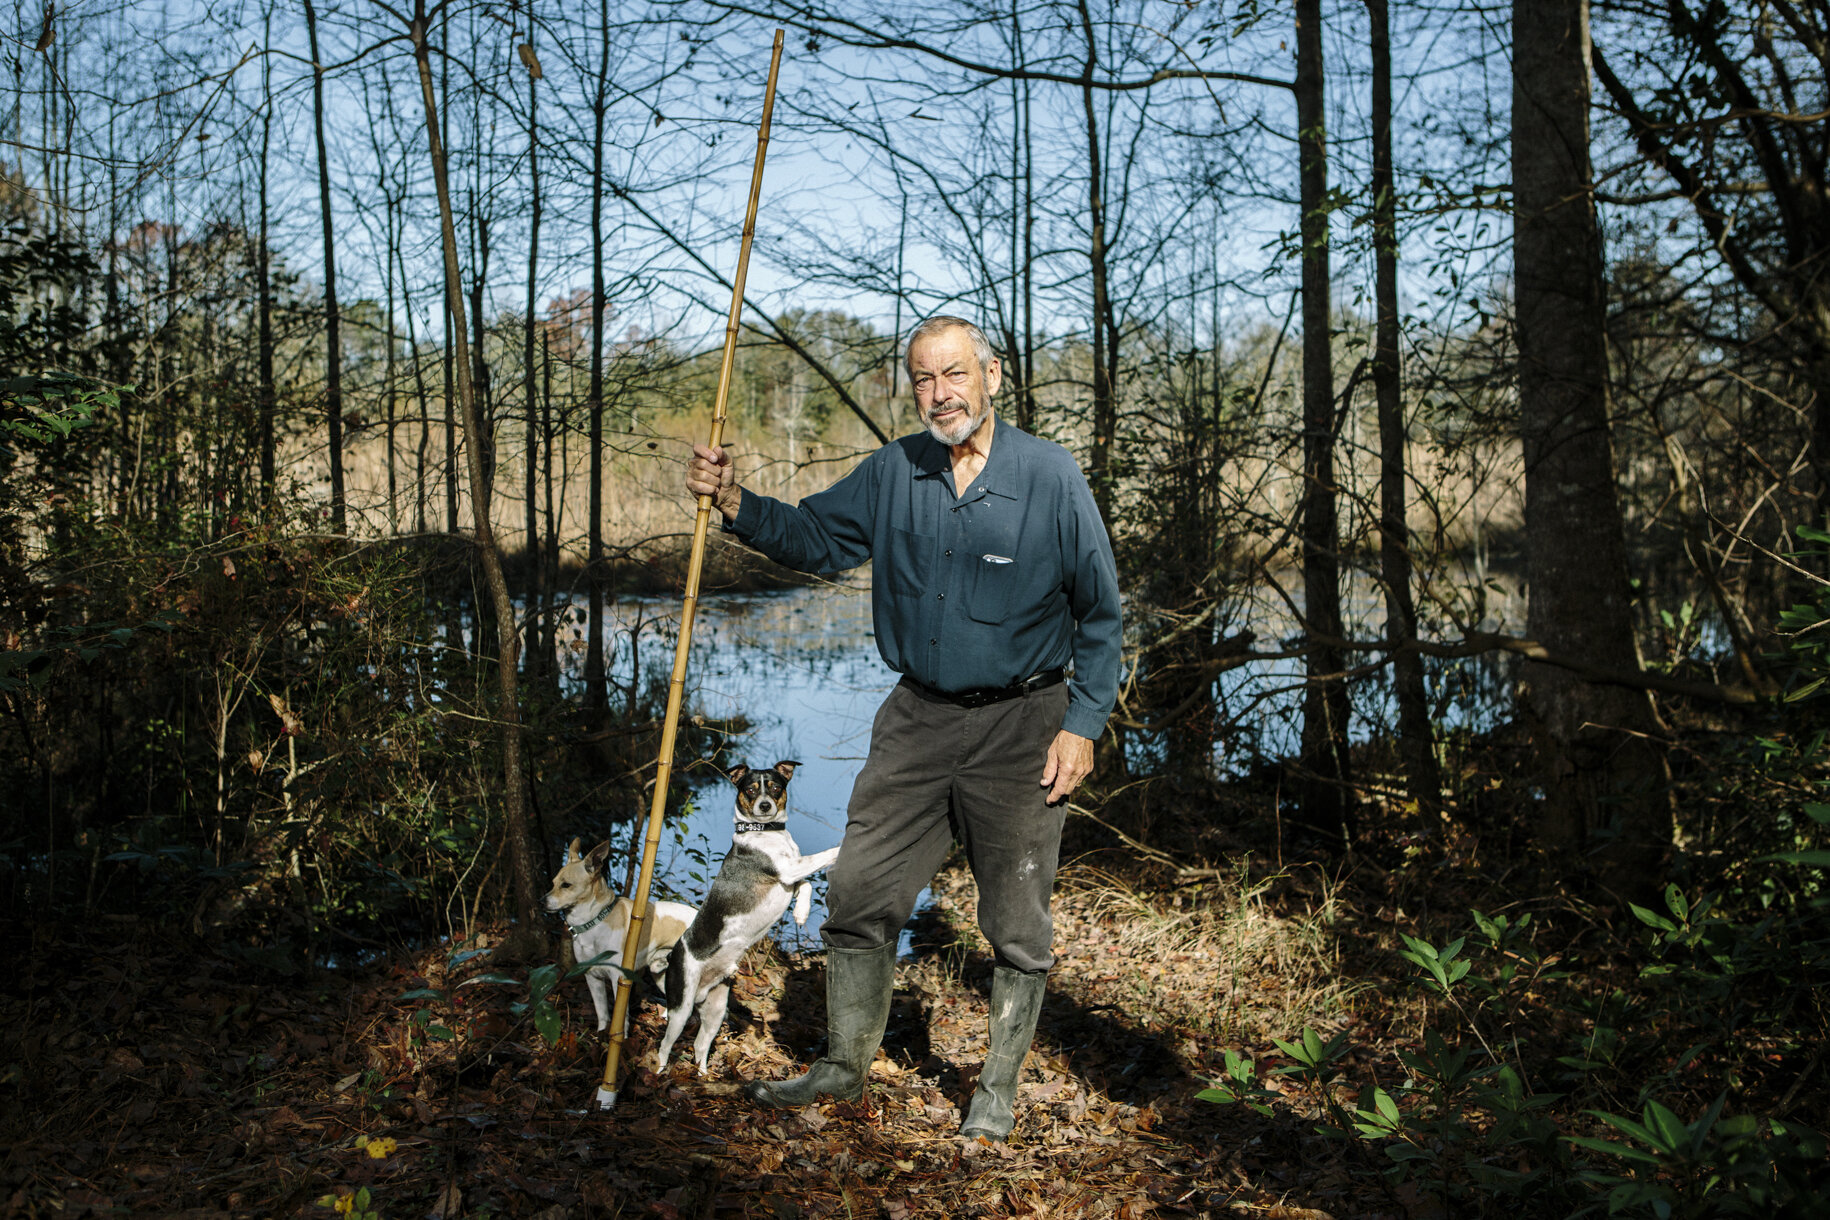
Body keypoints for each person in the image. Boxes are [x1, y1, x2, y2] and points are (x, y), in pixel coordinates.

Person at [684, 315, 1122, 1143]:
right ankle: (844, 1064)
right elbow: (815, 537)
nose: (940, 393)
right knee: (860, 892)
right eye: (923, 378)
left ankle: (995, 1089)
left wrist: (1084, 724)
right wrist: (735, 500)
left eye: (955, 373)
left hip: (1025, 724)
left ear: (994, 374)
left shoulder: (1049, 476)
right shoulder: (896, 471)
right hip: (917, 719)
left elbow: (1101, 615)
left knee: (1017, 920)